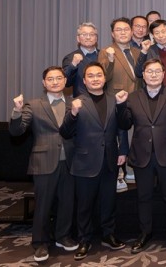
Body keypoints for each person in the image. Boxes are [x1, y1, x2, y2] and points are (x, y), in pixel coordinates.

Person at [59, 62, 128, 260]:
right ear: (84, 80)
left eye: (99, 75)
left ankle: (108, 234)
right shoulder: (76, 102)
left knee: (109, 201)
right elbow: (65, 132)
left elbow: (122, 128)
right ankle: (84, 239)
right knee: (85, 205)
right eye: (91, 76)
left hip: (110, 160)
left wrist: (123, 150)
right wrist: (73, 113)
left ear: (104, 78)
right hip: (85, 162)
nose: (95, 78)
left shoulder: (114, 100)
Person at [116, 58, 166, 254]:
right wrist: (120, 106)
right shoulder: (132, 97)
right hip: (141, 154)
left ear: (163, 74)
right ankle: (145, 233)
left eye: (157, 71)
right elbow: (125, 124)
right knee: (143, 197)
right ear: (143, 75)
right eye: (149, 72)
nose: (153, 75)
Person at [9, 67, 77, 262]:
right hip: (44, 162)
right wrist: (17, 111)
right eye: (50, 79)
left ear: (65, 81)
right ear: (44, 83)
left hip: (70, 161)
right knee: (43, 205)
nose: (55, 82)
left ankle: (63, 236)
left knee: (67, 203)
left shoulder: (74, 103)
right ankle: (40, 243)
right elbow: (16, 131)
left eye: (59, 78)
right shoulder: (33, 104)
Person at [98, 17, 142, 190]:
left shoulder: (137, 52)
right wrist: (110, 60)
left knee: (133, 135)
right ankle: (118, 174)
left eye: (126, 29)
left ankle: (131, 169)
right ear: (112, 34)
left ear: (131, 32)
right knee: (119, 137)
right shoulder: (106, 51)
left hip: (136, 100)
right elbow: (103, 77)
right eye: (119, 30)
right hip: (116, 100)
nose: (123, 32)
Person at [62, 22, 99, 97]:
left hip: (103, 100)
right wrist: (73, 65)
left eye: (91, 34)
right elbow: (66, 83)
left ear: (96, 38)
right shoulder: (70, 58)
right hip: (81, 100)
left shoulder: (104, 55)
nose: (88, 37)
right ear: (78, 38)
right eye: (84, 34)